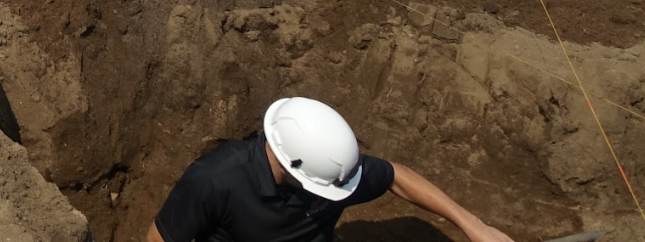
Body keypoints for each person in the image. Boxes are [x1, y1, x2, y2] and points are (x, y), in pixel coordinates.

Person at [149, 96, 515, 242]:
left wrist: (474, 225)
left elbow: (395, 177)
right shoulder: (216, 180)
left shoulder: (332, 169)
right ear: (291, 167)